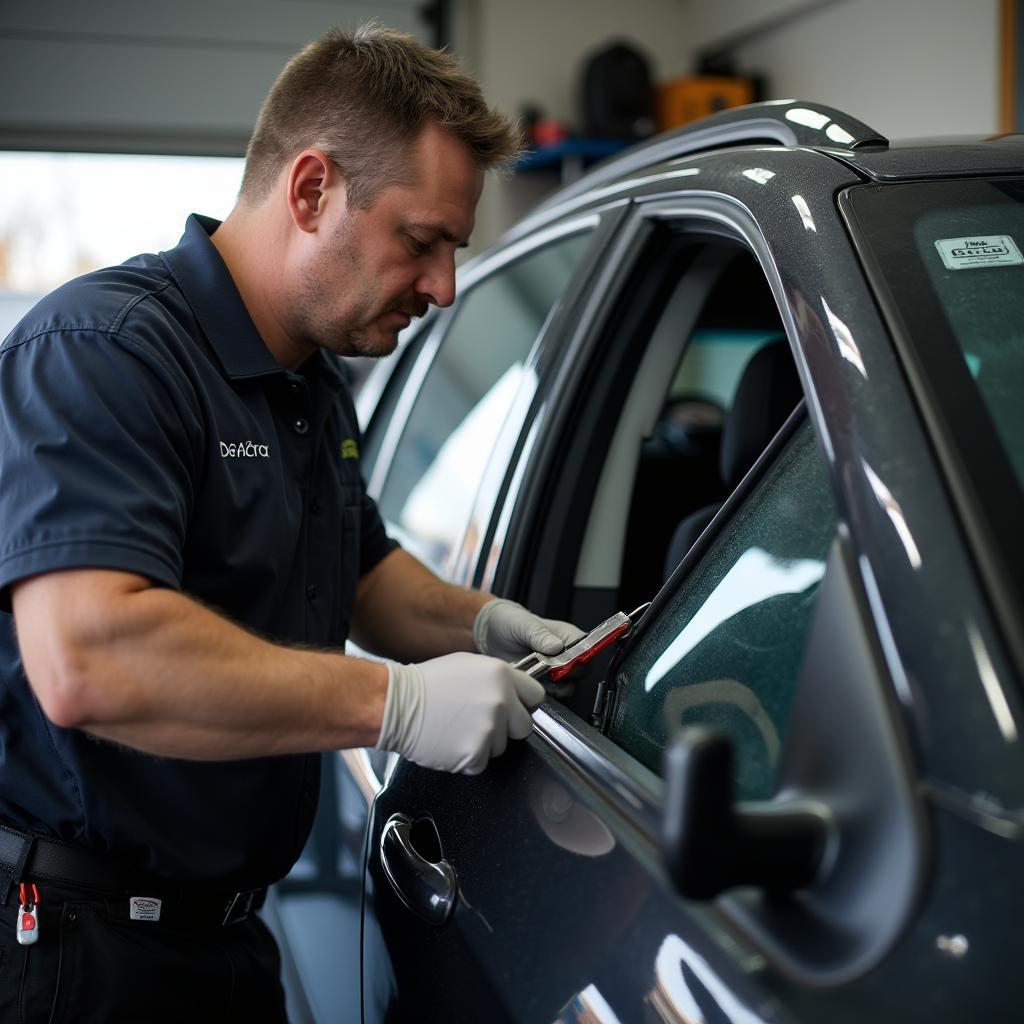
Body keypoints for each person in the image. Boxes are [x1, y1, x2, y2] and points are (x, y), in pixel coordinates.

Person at [0, 25, 583, 1023]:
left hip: (226, 937)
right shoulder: (105, 353)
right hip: (77, 954)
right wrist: (397, 703)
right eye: (421, 241)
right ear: (311, 190)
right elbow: (89, 656)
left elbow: (363, 579)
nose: (444, 288)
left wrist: (490, 623)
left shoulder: (311, 383)